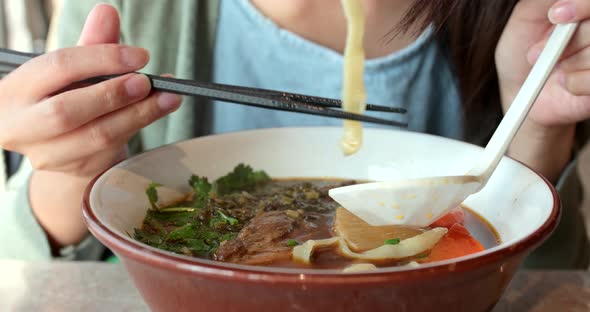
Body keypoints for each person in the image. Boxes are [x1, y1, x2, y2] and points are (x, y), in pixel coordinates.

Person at [1, 0, 589, 268]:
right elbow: (23, 272)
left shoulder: (522, 16)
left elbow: (538, 281)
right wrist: (73, 170)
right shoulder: (130, 8)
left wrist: (535, 118)